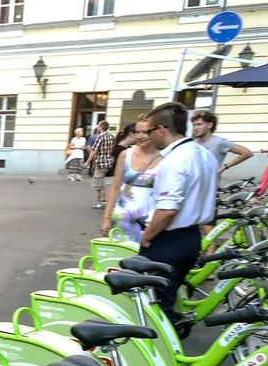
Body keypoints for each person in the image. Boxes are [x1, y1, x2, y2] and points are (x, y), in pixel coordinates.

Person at [138, 102, 218, 321]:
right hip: (191, 237)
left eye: (150, 131)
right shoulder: (204, 154)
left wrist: (147, 237)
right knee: (166, 300)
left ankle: (163, 352)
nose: (148, 136)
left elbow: (167, 210)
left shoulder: (175, 160)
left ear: (161, 130)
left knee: (154, 310)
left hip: (169, 240)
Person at [101, 115, 163, 244]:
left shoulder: (165, 157)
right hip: (122, 217)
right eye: (137, 132)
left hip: (148, 220)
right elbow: (115, 187)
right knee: (117, 259)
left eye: (145, 132)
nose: (140, 136)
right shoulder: (126, 155)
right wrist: (106, 217)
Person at [191, 111, 253, 177]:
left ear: (210, 125)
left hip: (211, 184)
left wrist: (225, 167)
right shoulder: (192, 143)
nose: (195, 128)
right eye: (194, 125)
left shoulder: (219, 142)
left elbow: (247, 153)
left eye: (199, 124)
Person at [84, 120, 115, 209]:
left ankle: (102, 201)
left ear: (101, 127)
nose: (97, 127)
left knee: (98, 183)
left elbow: (94, 150)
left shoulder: (100, 137)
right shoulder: (111, 136)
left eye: (98, 126)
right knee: (101, 182)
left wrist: (87, 161)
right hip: (107, 162)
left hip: (100, 162)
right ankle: (100, 201)